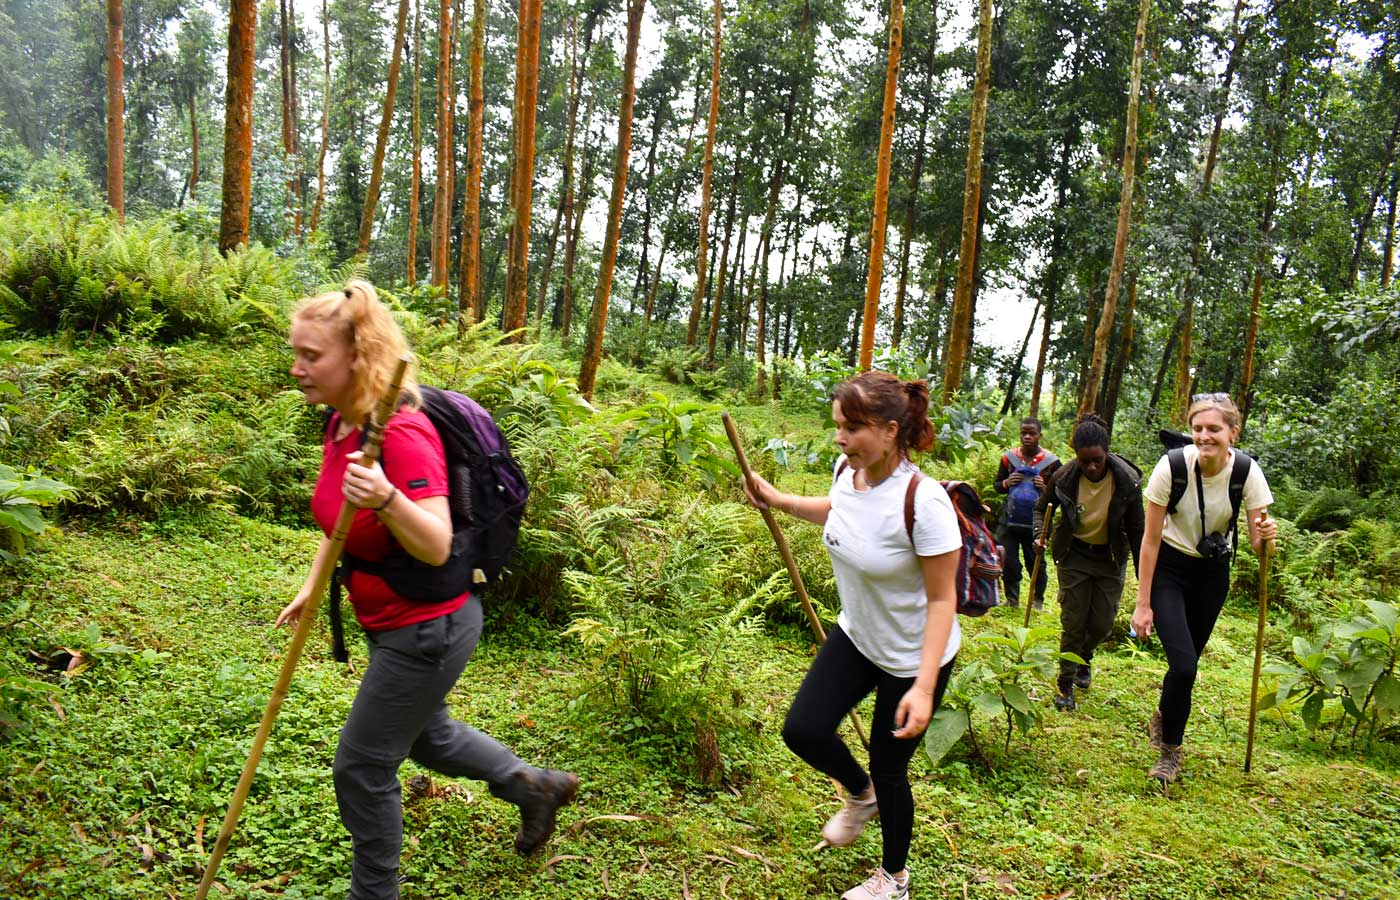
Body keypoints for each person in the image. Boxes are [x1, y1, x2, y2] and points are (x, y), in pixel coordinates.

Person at [277, 280, 578, 899]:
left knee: (362, 766)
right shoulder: (343, 421)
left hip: (428, 627)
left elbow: (436, 542)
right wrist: (314, 585)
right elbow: (339, 520)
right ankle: (534, 786)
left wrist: (387, 497)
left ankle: (375, 893)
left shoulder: (404, 435)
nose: (298, 367)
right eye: (296, 352)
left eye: (312, 355)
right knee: (426, 733)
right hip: (394, 622)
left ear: (357, 358)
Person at [742, 371, 961, 900]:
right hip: (858, 637)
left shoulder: (923, 503)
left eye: (852, 427)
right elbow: (840, 509)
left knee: (891, 770)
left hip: (912, 658)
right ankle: (857, 795)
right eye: (838, 425)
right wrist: (781, 499)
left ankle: (894, 880)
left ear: (890, 431)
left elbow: (942, 601)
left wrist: (925, 687)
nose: (839, 437)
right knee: (804, 730)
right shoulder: (849, 470)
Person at [1132, 393, 1277, 784]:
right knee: (1184, 665)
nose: (1204, 436)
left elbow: (1261, 546)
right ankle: (1170, 753)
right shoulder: (1172, 467)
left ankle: (1165, 714)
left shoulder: (1247, 473)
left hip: (1213, 574)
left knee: (1185, 667)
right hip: (1170, 570)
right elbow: (1149, 540)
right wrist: (1142, 604)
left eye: (1213, 429)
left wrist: (1267, 537)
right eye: (1198, 428)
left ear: (1233, 432)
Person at [1032, 413, 1143, 712]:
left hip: (1110, 559)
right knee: (1073, 621)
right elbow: (1041, 509)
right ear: (1077, 457)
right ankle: (1065, 683)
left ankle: (1085, 658)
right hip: (1074, 556)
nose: (1091, 467)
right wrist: (1038, 535)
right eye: (1085, 461)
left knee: (1101, 624)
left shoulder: (1128, 482)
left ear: (1106, 452)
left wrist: (1145, 575)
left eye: (1097, 460)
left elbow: (1137, 530)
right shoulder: (1064, 477)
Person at [994, 418, 1060, 609]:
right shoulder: (1008, 458)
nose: (1027, 437)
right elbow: (997, 485)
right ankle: (1012, 599)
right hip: (1010, 520)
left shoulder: (1052, 463)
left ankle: (1037, 600)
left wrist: (1045, 487)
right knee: (1009, 560)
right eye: (1024, 433)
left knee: (1036, 562)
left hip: (1037, 522)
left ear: (1040, 435)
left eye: (1032, 433)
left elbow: (1064, 492)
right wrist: (1006, 483)